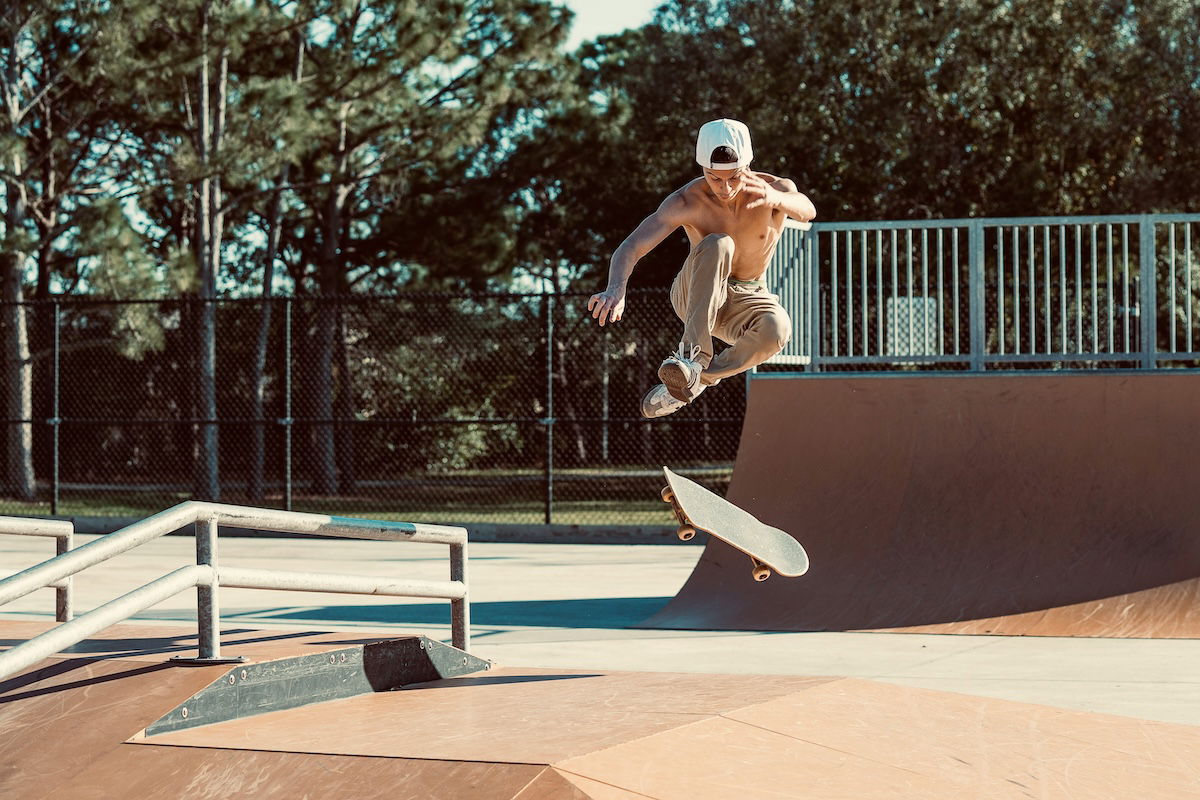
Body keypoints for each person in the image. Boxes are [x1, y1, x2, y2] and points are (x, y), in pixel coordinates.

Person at [587, 118, 817, 418]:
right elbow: (630, 247)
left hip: (748, 298)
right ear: (702, 169)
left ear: (747, 164)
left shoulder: (776, 190)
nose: (725, 188)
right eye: (714, 178)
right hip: (695, 293)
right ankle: (692, 357)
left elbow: (807, 210)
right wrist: (616, 289)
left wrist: (775, 198)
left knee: (778, 329)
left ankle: (692, 383)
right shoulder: (686, 200)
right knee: (719, 243)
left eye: (734, 177)